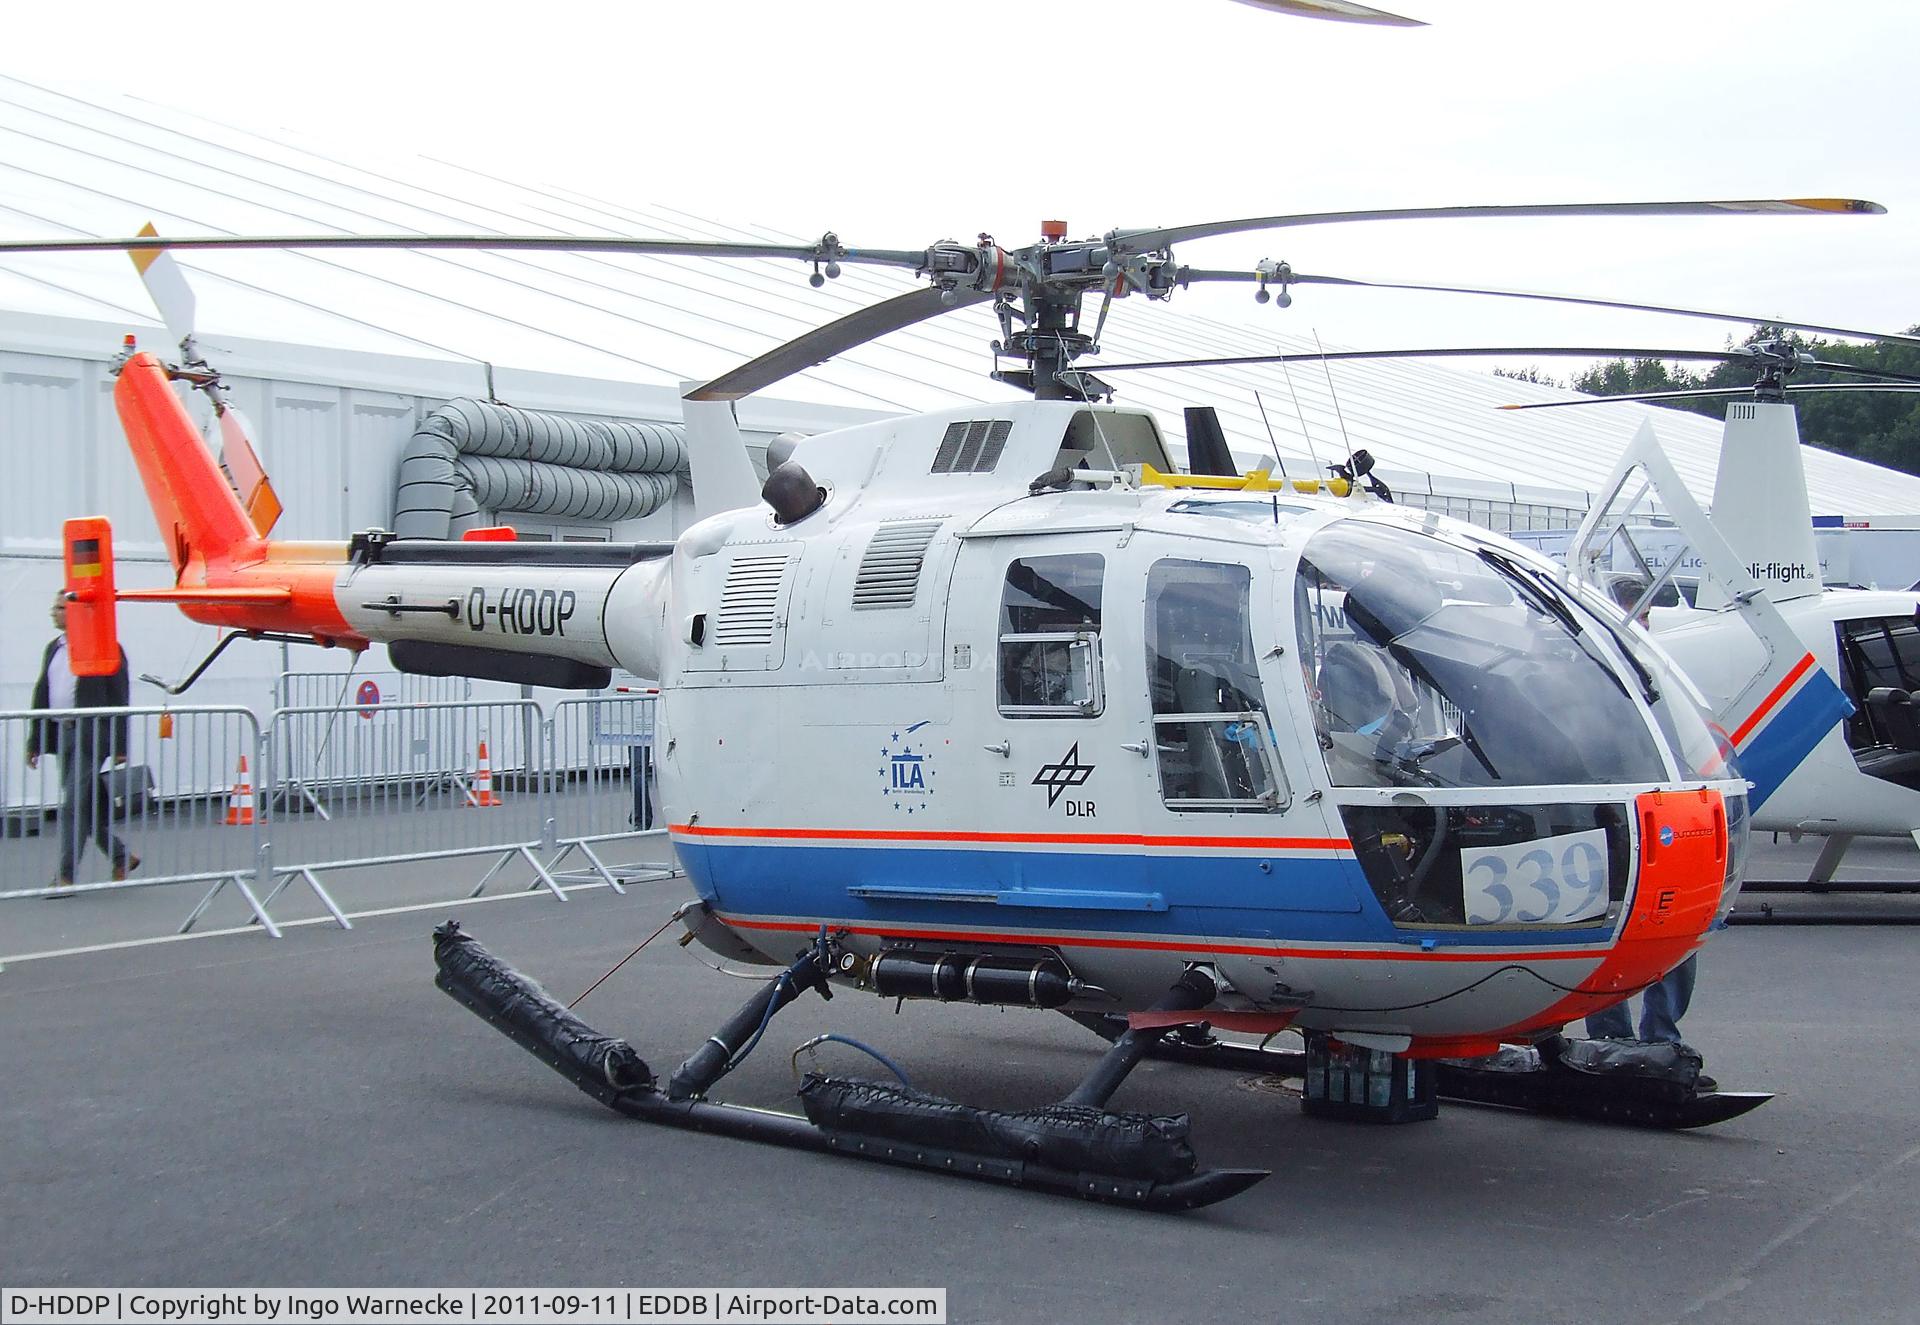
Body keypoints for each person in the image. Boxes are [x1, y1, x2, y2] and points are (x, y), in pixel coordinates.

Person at [26, 592, 137, 892]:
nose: (54, 613)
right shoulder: (54, 649)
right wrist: (35, 739)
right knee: (81, 805)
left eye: (60, 608)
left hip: (91, 736)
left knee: (72, 805)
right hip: (63, 733)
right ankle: (121, 856)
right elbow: (42, 693)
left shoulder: (104, 647)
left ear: (75, 613)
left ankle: (65, 875)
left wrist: (121, 745)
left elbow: (119, 698)